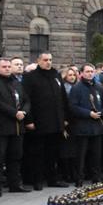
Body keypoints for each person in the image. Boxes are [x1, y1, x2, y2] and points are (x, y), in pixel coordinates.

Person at [0, 58, 31, 197]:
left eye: (9, 66)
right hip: (1, 126)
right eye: (4, 66)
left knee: (16, 156)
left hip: (18, 126)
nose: (7, 69)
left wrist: (24, 111)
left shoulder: (17, 83)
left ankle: (15, 183)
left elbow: (26, 100)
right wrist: (14, 113)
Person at [22, 52, 69, 189]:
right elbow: (27, 99)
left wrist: (65, 118)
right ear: (38, 61)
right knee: (38, 153)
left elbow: (63, 98)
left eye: (50, 60)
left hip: (56, 121)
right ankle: (37, 180)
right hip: (39, 121)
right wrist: (29, 120)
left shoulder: (56, 75)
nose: (48, 62)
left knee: (53, 153)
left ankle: (52, 179)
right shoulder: (30, 77)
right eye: (45, 60)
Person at [68, 64, 103, 187]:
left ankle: (96, 177)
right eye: (87, 71)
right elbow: (73, 107)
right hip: (82, 126)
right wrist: (88, 113)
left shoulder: (99, 87)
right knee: (81, 155)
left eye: (92, 71)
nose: (90, 73)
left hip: (97, 127)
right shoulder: (77, 88)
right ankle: (79, 178)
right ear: (81, 73)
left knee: (96, 154)